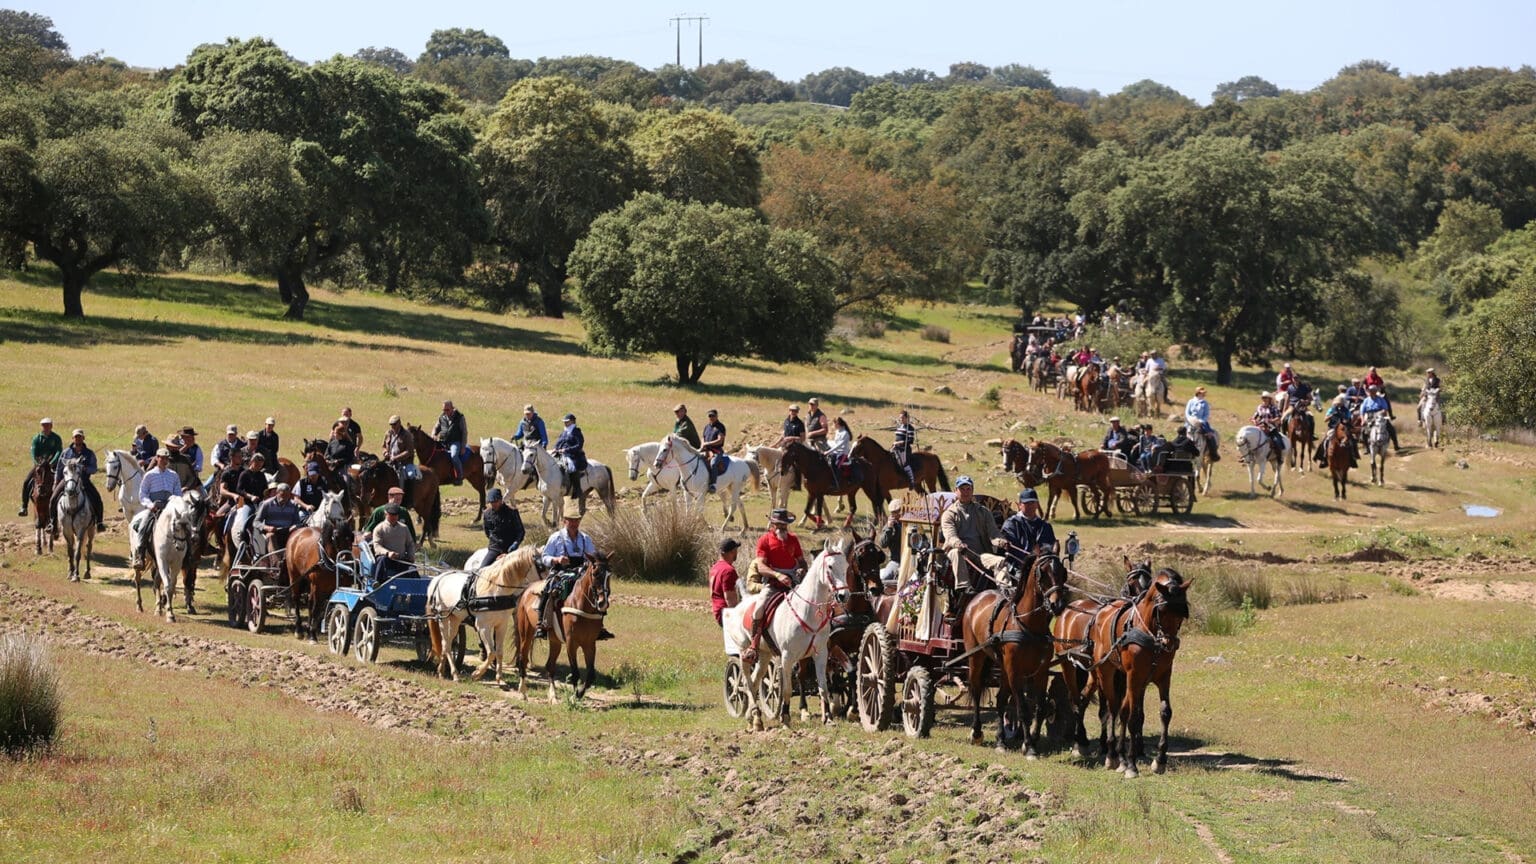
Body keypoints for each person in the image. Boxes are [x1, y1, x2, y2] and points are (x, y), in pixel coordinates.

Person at [743, 508, 808, 663]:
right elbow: (761, 567)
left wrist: (802, 569)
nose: (781, 527)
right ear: (772, 524)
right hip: (773, 583)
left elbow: (801, 560)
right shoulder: (764, 540)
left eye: (784, 524)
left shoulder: (793, 539)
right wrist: (778, 575)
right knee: (759, 607)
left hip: (794, 581)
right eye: (778, 524)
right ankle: (754, 645)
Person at [537, 512, 610, 640]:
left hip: (580, 573)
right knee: (548, 589)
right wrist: (557, 559)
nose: (574, 524)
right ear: (564, 521)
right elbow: (545, 557)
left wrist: (592, 562)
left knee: (597, 590)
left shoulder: (585, 538)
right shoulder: (556, 537)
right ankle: (541, 623)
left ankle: (599, 626)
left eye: (576, 521)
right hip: (560, 572)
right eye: (571, 521)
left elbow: (593, 557)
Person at [940, 476, 1002, 598]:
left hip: (980, 554)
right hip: (960, 553)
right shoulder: (949, 514)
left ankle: (1004, 589)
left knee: (1000, 561)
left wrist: (1001, 541)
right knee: (955, 553)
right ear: (955, 491)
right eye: (962, 489)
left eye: (968, 489)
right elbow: (950, 536)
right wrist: (959, 544)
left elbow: (994, 534)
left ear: (972, 491)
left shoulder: (983, 511)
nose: (965, 492)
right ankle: (964, 587)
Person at [48, 429, 106, 534]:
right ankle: (52, 524)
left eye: (79, 437)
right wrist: (56, 482)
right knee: (53, 499)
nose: (77, 439)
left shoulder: (89, 453)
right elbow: (59, 468)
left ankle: (99, 523)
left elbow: (94, 469)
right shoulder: (66, 453)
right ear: (72, 439)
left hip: (83, 480)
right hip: (67, 480)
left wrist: (85, 469)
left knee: (97, 498)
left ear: (83, 438)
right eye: (75, 437)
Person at [134, 448, 182, 567]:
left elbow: (178, 493)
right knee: (143, 525)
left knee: (183, 525)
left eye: (166, 458)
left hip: (169, 508)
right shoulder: (149, 475)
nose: (164, 461)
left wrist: (173, 503)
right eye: (162, 458)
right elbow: (143, 493)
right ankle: (140, 555)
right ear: (157, 458)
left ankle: (186, 554)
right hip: (154, 507)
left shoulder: (174, 475)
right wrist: (150, 505)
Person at [997, 488, 1057, 571]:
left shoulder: (1045, 526)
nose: (1030, 506)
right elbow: (1013, 549)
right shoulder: (1011, 524)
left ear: (1037, 504)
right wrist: (1031, 560)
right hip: (1017, 566)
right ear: (1020, 505)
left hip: (1043, 567)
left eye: (1032, 502)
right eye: (1026, 503)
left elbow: (1049, 547)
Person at [18, 417, 63, 517]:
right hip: (39, 466)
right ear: (41, 426)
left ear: (51, 426)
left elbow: (59, 451)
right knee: (26, 482)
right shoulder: (36, 438)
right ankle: (24, 506)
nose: (46, 427)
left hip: (52, 466)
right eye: (44, 425)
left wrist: (52, 462)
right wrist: (37, 464)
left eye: (48, 425)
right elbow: (33, 453)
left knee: (63, 481)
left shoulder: (56, 438)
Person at [251, 482, 308, 561]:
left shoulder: (293, 505)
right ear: (277, 493)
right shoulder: (267, 504)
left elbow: (297, 522)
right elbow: (256, 522)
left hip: (287, 531)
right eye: (282, 495)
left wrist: (295, 526)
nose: (284, 498)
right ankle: (276, 563)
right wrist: (267, 527)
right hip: (273, 532)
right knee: (270, 536)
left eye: (287, 496)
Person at [369, 504, 416, 581]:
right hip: (386, 559)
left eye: (396, 515)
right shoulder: (379, 528)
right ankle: (378, 583)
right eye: (391, 515)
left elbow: (410, 544)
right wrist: (388, 553)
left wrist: (411, 555)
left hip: (401, 559)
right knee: (382, 560)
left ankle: (417, 587)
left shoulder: (404, 528)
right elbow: (377, 546)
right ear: (386, 514)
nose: (394, 517)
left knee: (412, 569)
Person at [480, 488, 524, 568]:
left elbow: (520, 531)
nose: (494, 504)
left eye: (496, 502)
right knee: (482, 568)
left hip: (510, 549)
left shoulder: (512, 512)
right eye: (491, 503)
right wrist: (494, 541)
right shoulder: (487, 514)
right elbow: (487, 531)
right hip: (495, 548)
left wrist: (516, 543)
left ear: (501, 500)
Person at [552, 413, 587, 499]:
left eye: (567, 422)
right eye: (565, 422)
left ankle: (577, 489)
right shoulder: (565, 431)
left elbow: (579, 445)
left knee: (571, 467)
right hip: (561, 454)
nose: (565, 423)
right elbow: (559, 441)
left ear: (572, 422)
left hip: (573, 455)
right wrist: (555, 448)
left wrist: (566, 450)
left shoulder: (576, 432)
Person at [709, 537, 742, 627]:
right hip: (727, 613)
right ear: (732, 551)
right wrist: (738, 618)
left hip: (717, 611)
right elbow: (730, 599)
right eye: (736, 550)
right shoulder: (728, 571)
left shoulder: (714, 567)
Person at [1318, 395, 1358, 467]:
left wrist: (1345, 419)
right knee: (1325, 440)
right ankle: (1324, 457)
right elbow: (1325, 420)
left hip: (1344, 428)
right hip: (1333, 428)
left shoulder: (1346, 410)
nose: (1338, 404)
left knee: (1352, 440)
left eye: (1340, 403)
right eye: (1337, 403)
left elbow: (1349, 419)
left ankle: (1353, 458)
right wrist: (1331, 415)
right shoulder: (1331, 409)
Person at [1359, 385, 1400, 452]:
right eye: (1371, 391)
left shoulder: (1381, 399)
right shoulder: (1366, 400)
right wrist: (1362, 420)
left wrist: (1382, 411)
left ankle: (1396, 445)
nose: (1373, 392)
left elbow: (1385, 408)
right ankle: (1367, 448)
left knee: (1391, 428)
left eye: (1374, 391)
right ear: (1369, 392)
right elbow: (1362, 411)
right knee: (1363, 431)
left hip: (1379, 415)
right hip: (1369, 416)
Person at [434, 400, 468, 481]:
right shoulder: (442, 417)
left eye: (447, 410)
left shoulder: (459, 417)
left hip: (455, 442)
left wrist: (463, 447)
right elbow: (436, 428)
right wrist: (434, 434)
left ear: (452, 408)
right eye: (444, 410)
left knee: (454, 456)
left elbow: (464, 432)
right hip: (443, 441)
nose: (445, 412)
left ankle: (459, 475)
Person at [1184, 387, 1219, 461]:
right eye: (1201, 393)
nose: (1203, 394)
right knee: (1182, 433)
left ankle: (1213, 452)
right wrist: (1191, 420)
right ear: (1198, 393)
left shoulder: (1205, 403)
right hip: (1190, 421)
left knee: (1210, 435)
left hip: (1201, 422)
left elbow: (1206, 414)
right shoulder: (1191, 401)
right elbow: (1187, 413)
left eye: (1204, 393)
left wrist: (1201, 421)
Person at [700, 409, 727, 494]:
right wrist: (702, 444)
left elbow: (720, 440)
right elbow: (703, 437)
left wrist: (708, 443)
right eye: (710, 416)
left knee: (713, 463)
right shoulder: (707, 427)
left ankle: (713, 484)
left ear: (717, 416)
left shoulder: (720, 427)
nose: (711, 417)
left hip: (717, 450)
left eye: (713, 416)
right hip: (706, 450)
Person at [892, 409, 916, 487]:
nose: (901, 419)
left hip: (904, 449)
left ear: (907, 418)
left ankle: (912, 481)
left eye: (902, 418)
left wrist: (899, 443)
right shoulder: (900, 426)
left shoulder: (910, 428)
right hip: (896, 448)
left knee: (904, 463)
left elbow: (911, 441)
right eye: (900, 418)